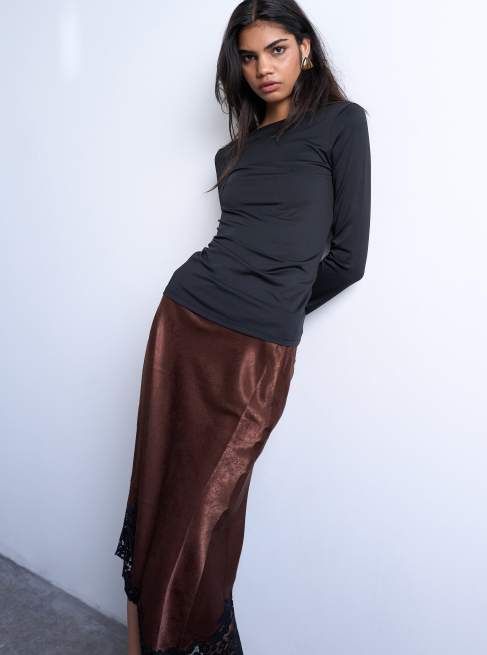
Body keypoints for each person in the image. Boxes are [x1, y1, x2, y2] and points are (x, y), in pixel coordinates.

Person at [114, 1, 371, 653]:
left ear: (305, 48)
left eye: (276, 49)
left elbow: (348, 260)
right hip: (184, 321)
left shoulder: (341, 125)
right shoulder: (234, 151)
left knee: (206, 513)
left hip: (256, 348)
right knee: (161, 490)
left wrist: (274, 307)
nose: (263, 68)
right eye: (250, 57)